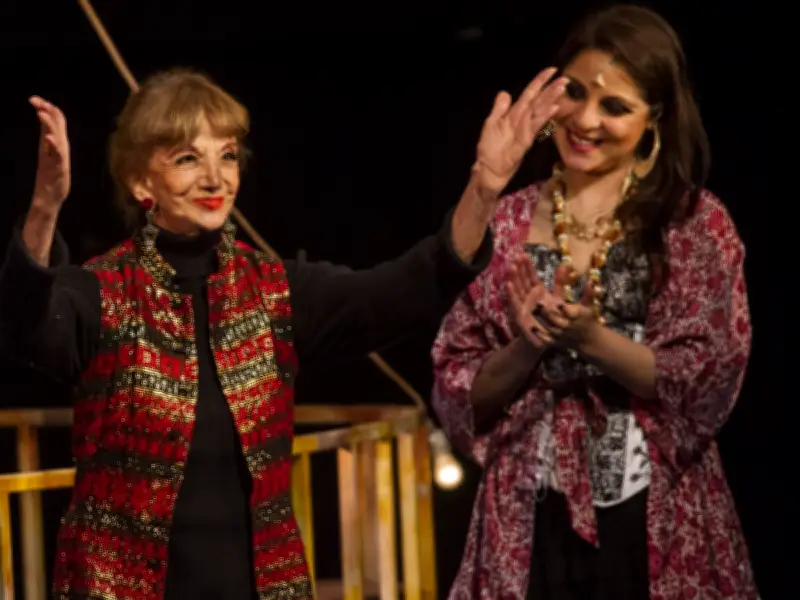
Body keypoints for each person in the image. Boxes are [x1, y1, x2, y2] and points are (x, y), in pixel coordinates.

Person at [0, 66, 564, 600]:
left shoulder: (272, 290)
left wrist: (483, 187)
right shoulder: (103, 292)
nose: (215, 178)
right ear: (141, 180)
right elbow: (27, 325)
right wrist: (45, 208)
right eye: (188, 158)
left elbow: (403, 291)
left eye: (227, 155)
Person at [431, 5, 757, 600]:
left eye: (614, 106)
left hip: (654, 516)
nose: (585, 120)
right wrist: (526, 348)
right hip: (528, 517)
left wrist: (592, 341)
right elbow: (458, 385)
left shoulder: (692, 224)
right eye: (575, 93)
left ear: (656, 117)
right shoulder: (507, 220)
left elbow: (708, 374)